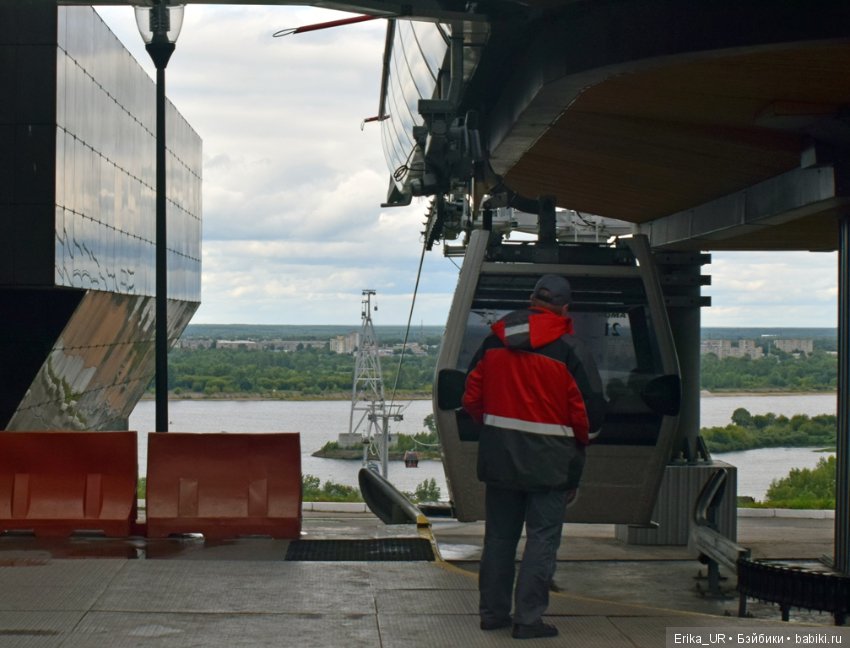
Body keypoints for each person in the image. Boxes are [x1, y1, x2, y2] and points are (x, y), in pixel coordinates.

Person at [462, 274, 606, 640]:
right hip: (552, 466)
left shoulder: (494, 342)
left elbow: (471, 398)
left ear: (530, 301)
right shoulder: (570, 351)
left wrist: (496, 429)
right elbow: (588, 419)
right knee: (542, 540)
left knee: (498, 539)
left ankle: (493, 614)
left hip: (500, 460)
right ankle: (528, 620)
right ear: (564, 309)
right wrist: (577, 450)